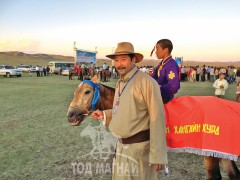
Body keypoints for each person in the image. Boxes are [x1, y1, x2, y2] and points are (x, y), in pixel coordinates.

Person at [92, 42, 168, 179]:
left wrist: (158, 155)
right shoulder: (120, 83)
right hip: (121, 147)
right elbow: (122, 109)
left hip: (140, 150)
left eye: (123, 59)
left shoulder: (147, 83)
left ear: (133, 60)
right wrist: (105, 114)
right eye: (116, 60)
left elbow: (157, 118)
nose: (119, 64)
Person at [151, 39, 180, 104]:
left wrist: (158, 88)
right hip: (157, 98)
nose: (155, 52)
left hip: (165, 100)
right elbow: (153, 78)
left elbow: (174, 86)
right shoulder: (161, 64)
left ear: (166, 50)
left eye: (157, 49)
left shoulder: (171, 64)